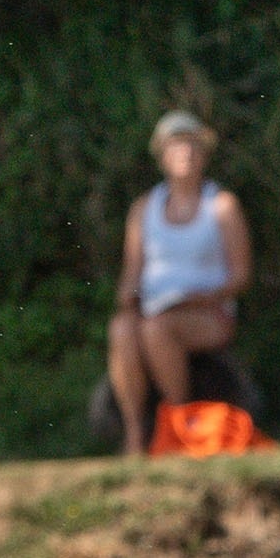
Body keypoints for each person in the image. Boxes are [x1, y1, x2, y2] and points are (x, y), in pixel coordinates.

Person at [104, 111, 253, 457]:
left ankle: (180, 422)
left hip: (207, 313)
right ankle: (134, 435)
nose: (185, 153)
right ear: (162, 156)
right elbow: (131, 275)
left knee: (157, 330)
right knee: (122, 330)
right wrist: (128, 299)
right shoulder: (144, 209)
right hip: (154, 310)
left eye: (192, 145)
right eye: (176, 146)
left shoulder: (222, 206)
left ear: (204, 155)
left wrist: (201, 298)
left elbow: (241, 276)